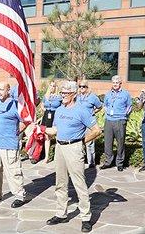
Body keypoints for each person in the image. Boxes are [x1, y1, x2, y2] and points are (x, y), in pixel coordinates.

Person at [45, 81, 102, 233]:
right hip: (59, 147)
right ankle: (61, 213)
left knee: (79, 184)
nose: (62, 95)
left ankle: (85, 217)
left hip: (74, 148)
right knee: (60, 183)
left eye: (66, 93)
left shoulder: (82, 110)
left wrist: (82, 142)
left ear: (74, 94)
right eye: (62, 92)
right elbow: (56, 128)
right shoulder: (59, 110)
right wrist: (44, 130)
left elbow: (96, 130)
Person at [0, 81, 27, 209]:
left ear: (8, 91)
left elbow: (25, 120)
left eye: (2, 89)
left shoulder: (15, 105)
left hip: (8, 144)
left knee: (13, 171)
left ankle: (19, 195)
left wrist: (16, 132)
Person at [101, 75, 133, 171]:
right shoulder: (108, 94)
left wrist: (124, 116)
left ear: (120, 83)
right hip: (109, 120)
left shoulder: (126, 94)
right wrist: (106, 111)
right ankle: (108, 162)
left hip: (120, 120)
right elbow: (105, 104)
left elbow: (129, 106)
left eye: (117, 82)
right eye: (113, 82)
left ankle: (119, 163)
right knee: (108, 143)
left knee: (120, 143)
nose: (115, 84)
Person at [76, 79, 102, 168]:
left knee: (89, 142)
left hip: (89, 123)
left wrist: (93, 112)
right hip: (79, 123)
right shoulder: (77, 97)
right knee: (79, 141)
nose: (82, 88)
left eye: (84, 86)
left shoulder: (93, 97)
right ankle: (80, 160)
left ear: (87, 87)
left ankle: (91, 162)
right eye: (80, 86)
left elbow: (99, 106)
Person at [39, 80, 62, 163]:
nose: (52, 87)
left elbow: (63, 106)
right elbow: (42, 104)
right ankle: (46, 157)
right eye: (51, 86)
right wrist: (43, 109)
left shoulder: (59, 97)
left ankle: (57, 156)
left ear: (56, 87)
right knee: (47, 137)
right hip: (46, 116)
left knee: (57, 137)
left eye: (54, 86)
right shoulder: (46, 96)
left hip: (55, 116)